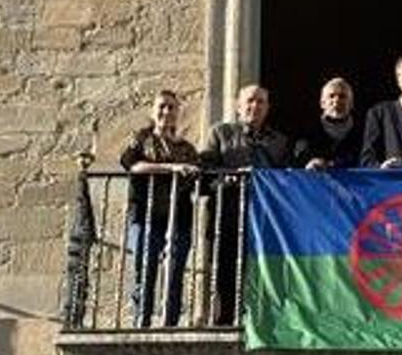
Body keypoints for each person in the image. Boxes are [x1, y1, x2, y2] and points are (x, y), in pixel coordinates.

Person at [202, 84, 289, 325]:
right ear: (239, 106)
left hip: (265, 218)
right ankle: (227, 321)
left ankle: (264, 322)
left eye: (261, 102)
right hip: (227, 215)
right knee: (226, 272)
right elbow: (204, 173)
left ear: (268, 108)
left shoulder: (279, 141)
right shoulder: (220, 133)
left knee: (265, 271)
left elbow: (287, 178)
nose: (255, 106)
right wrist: (226, 178)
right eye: (250, 101)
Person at [119, 90, 202, 327]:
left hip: (178, 219)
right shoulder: (140, 140)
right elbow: (131, 165)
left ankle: (170, 323)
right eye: (162, 107)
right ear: (152, 111)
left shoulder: (187, 148)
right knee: (145, 272)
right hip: (146, 216)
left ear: (178, 114)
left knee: (174, 275)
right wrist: (172, 169)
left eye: (172, 108)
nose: (167, 112)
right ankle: (141, 321)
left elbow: (196, 174)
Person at [292, 77, 363, 170]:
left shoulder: (363, 130)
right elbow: (297, 161)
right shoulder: (307, 131)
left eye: (342, 96)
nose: (336, 101)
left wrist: (331, 164)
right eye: (331, 96)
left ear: (351, 103)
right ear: (322, 103)